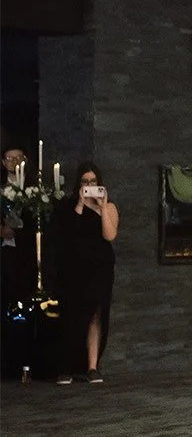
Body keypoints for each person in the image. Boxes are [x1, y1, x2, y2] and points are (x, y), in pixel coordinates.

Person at [52, 162, 118, 385]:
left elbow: (109, 235)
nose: (89, 186)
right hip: (74, 268)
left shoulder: (109, 208)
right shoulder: (69, 207)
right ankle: (66, 366)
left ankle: (92, 366)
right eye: (85, 182)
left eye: (93, 182)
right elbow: (69, 235)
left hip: (100, 267)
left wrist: (102, 207)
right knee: (72, 314)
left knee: (96, 315)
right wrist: (80, 205)